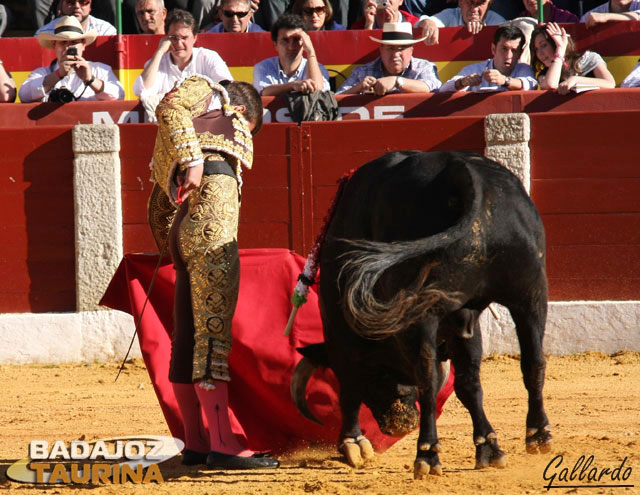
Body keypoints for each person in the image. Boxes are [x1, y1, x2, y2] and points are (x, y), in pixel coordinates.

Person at [149, 76, 279, 470]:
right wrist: (193, 159)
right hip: (212, 217)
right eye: (248, 128)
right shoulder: (207, 89)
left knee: (188, 333)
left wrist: (170, 239)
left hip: (183, 222)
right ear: (239, 112)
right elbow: (168, 105)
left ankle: (196, 442)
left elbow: (159, 206)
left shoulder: (194, 124)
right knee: (212, 330)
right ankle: (223, 443)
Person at [133, 9, 233, 118]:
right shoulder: (157, 62)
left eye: (184, 38)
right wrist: (159, 52)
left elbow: (226, 87)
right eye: (174, 38)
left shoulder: (208, 57)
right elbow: (140, 90)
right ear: (166, 38)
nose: (179, 43)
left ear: (195, 38)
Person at [19, 16, 124, 102]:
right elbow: (24, 95)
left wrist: (90, 80)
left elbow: (119, 95)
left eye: (74, 42)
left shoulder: (101, 70)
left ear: (83, 45)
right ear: (54, 45)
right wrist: (58, 74)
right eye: (63, 42)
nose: (68, 48)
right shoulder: (43, 73)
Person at [337, 22, 441, 94]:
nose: (395, 54)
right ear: (381, 50)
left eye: (401, 49)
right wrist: (358, 88)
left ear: (411, 51)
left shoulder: (424, 67)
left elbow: (433, 87)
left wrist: (397, 81)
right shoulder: (363, 72)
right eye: (390, 48)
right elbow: (336, 99)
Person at [439, 24, 537, 92]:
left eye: (514, 51)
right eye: (504, 49)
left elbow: (532, 85)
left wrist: (505, 81)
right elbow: (443, 90)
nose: (508, 56)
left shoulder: (525, 69)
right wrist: (462, 82)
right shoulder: (475, 70)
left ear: (521, 53)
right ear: (493, 49)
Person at [252, 14, 330, 96]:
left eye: (296, 39)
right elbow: (263, 93)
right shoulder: (263, 67)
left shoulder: (318, 68)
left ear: (304, 42)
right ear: (275, 45)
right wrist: (292, 85)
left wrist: (310, 52)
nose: (291, 47)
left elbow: (317, 91)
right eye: (285, 40)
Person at [531, 22, 615, 93]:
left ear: (554, 43)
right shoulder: (544, 74)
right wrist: (560, 50)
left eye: (544, 45)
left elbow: (610, 83)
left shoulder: (589, 58)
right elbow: (551, 85)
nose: (540, 53)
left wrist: (575, 80)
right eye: (536, 49)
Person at [416, 0, 505, 45]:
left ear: (489, 4)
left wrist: (485, 31)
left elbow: (510, 34)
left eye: (480, 3)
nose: (474, 9)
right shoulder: (450, 15)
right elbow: (425, 23)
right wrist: (427, 23)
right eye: (469, 2)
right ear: (460, 2)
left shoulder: (496, 21)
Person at [35, 0, 117, 36]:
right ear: (61, 4)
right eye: (70, 2)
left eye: (83, 2)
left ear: (90, 5)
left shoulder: (106, 31)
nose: (77, 6)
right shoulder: (43, 33)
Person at [351, 0, 420, 29]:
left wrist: (391, 27)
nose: (385, 0)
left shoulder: (414, 25)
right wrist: (369, 25)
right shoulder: (358, 26)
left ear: (401, 1)